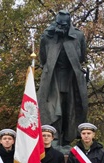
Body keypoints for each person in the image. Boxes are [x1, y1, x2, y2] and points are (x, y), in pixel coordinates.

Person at [38, 10, 88, 149]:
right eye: (59, 24)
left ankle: (67, 140)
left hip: (72, 79)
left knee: (70, 108)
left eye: (65, 25)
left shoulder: (78, 36)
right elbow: (43, 59)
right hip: (52, 79)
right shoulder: (47, 36)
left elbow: (82, 57)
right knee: (52, 109)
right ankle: (54, 139)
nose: (62, 28)